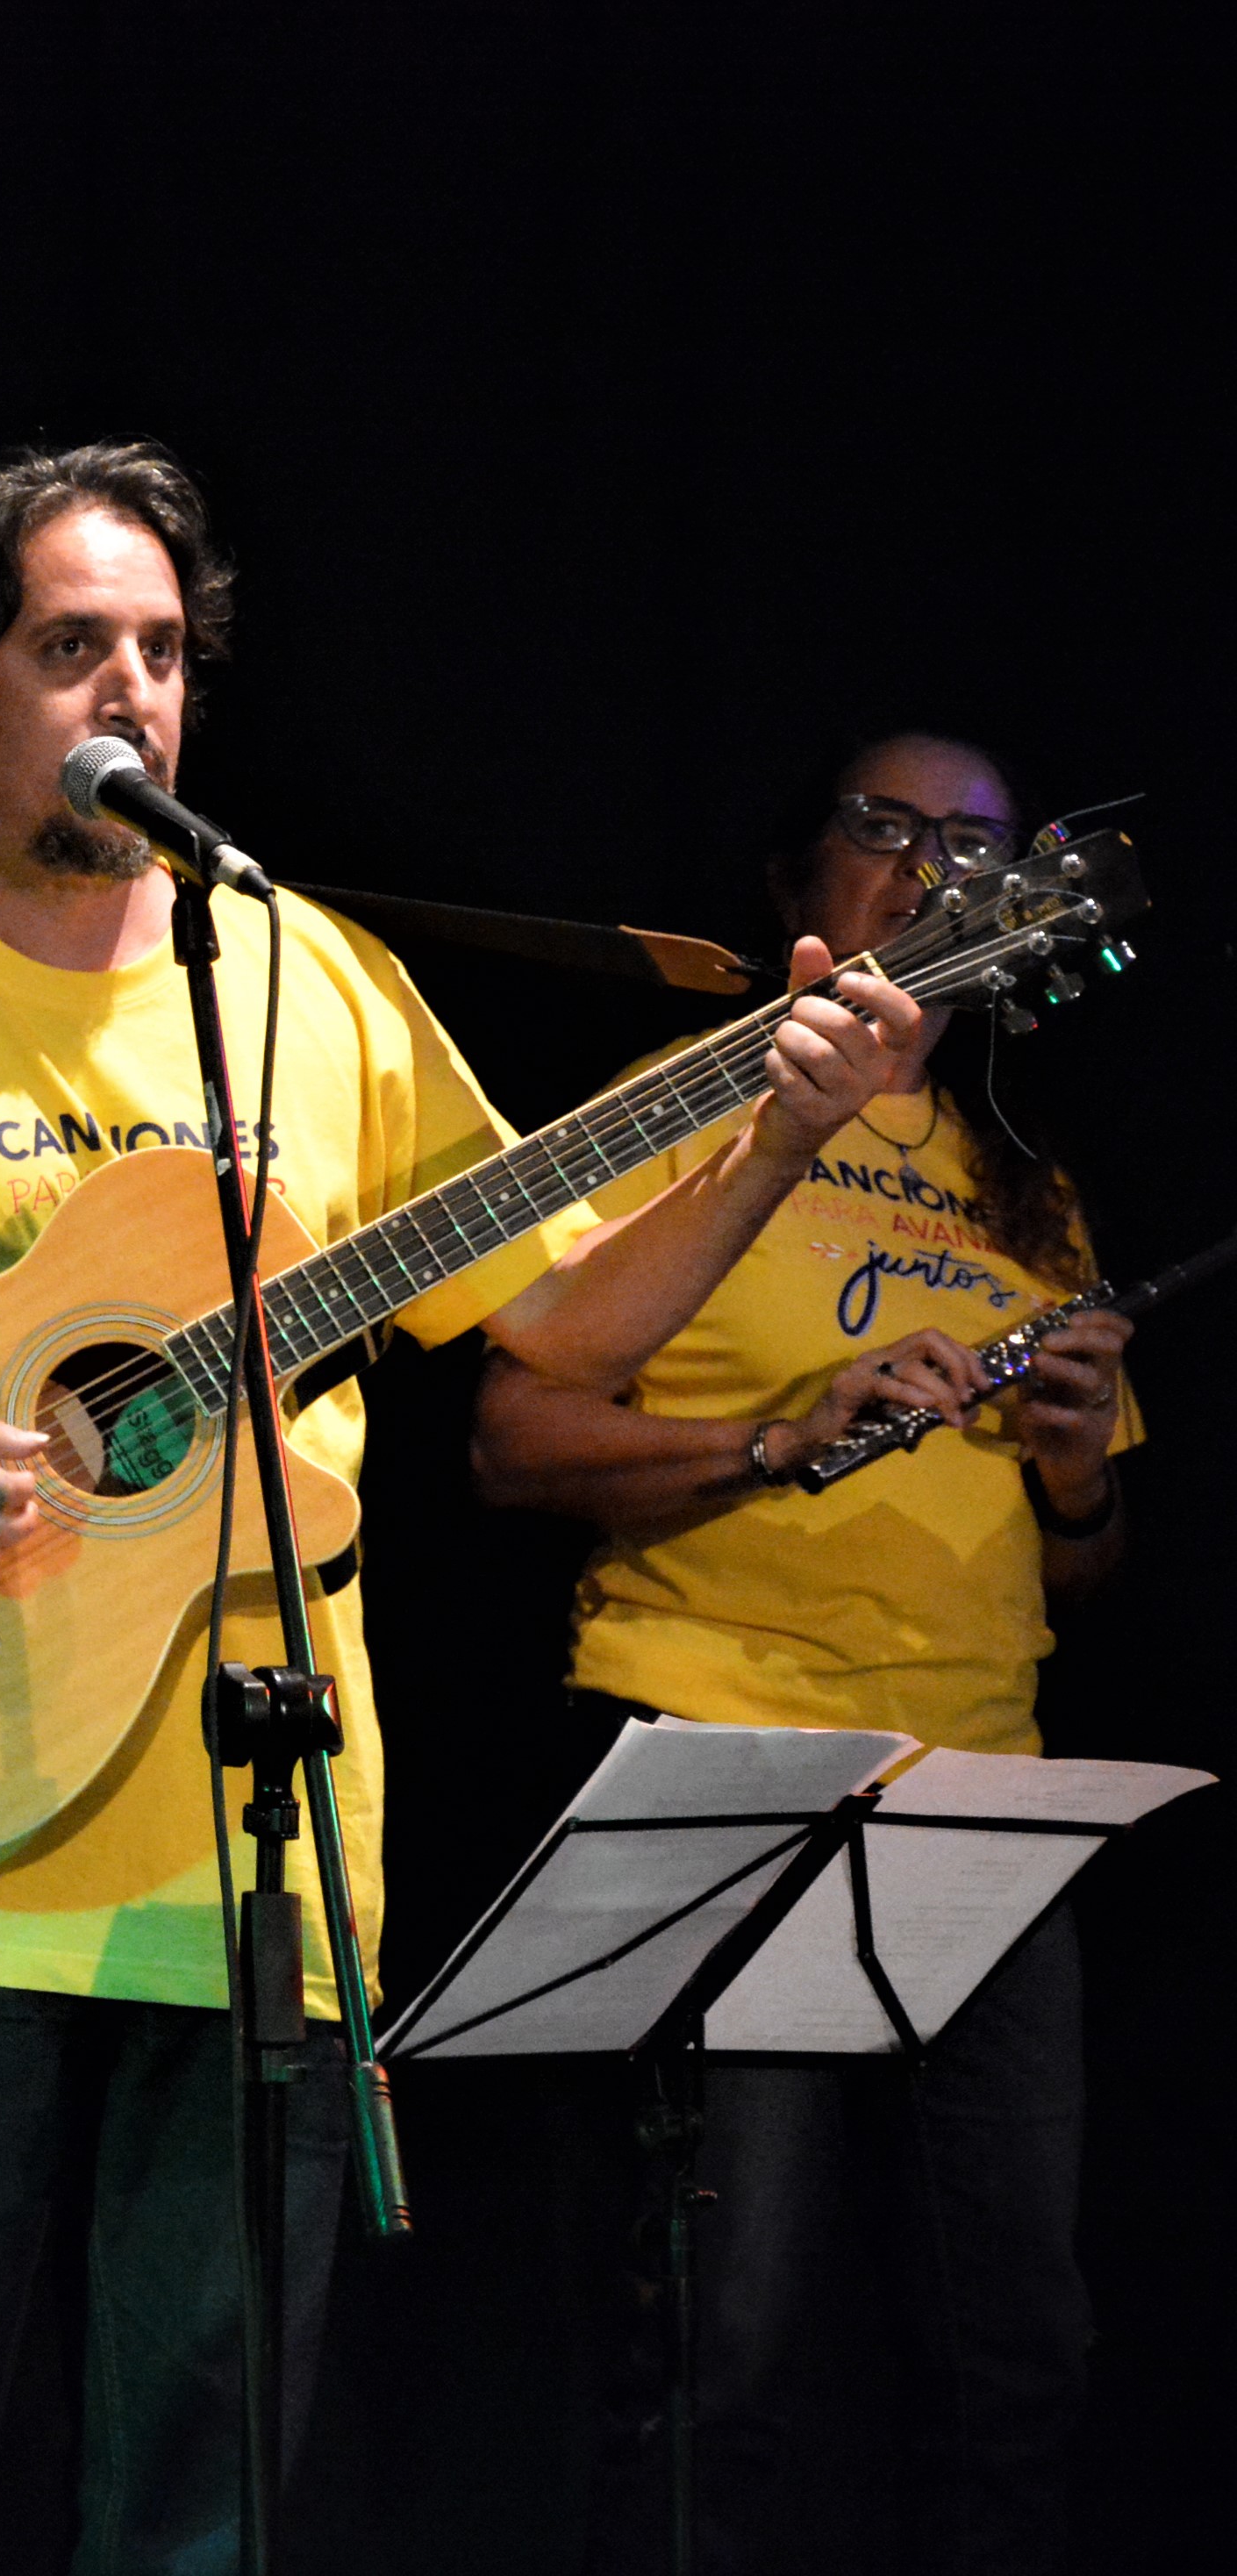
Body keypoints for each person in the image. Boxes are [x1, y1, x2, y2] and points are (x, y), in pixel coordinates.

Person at [0, 441, 915, 2572]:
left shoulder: (308, 978)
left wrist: (768, 1137)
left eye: (161, 650)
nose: (130, 689)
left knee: (207, 2519)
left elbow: (563, 1332)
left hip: (257, 1875)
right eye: (65, 647)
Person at [468, 732, 1126, 2576]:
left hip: (983, 1799)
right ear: (794, 882)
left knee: (1021, 2352)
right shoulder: (682, 1100)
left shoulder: (1032, 1189)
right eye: (889, 829)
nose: (932, 873)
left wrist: (1075, 1474)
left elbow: (1081, 1577)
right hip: (721, 1752)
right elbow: (514, 1441)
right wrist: (767, 1437)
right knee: (720, 2344)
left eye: (980, 850)